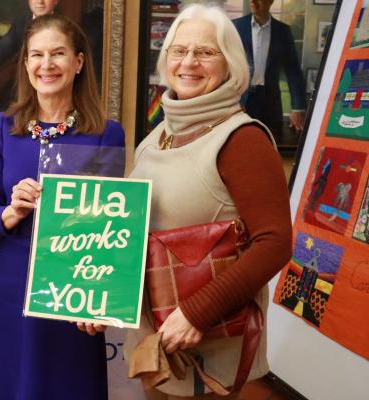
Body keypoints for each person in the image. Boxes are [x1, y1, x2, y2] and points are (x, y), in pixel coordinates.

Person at [125, 5, 292, 399]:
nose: (189, 62)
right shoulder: (159, 134)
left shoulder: (242, 140)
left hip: (209, 349)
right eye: (179, 51)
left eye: (205, 52)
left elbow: (275, 244)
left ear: (230, 63)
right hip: (159, 344)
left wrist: (196, 313)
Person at [0, 14, 125, 400]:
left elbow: (114, 229)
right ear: (25, 64)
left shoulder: (106, 132)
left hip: (73, 288)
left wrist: (99, 297)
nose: (46, 64)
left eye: (58, 54)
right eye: (36, 55)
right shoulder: (4, 126)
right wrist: (8, 214)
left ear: (79, 62)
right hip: (12, 281)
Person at [233, 0, 306, 136]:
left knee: (273, 143)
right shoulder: (236, 27)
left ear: (270, 1)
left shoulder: (283, 31)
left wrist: (298, 108)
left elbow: (293, 71)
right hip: (241, 100)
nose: (252, 1)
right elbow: (226, 67)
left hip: (271, 101)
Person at [0, 0, 59, 81]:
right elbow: (4, 45)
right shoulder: (20, 22)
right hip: (24, 82)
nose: (40, 1)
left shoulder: (66, 26)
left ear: (56, 0)